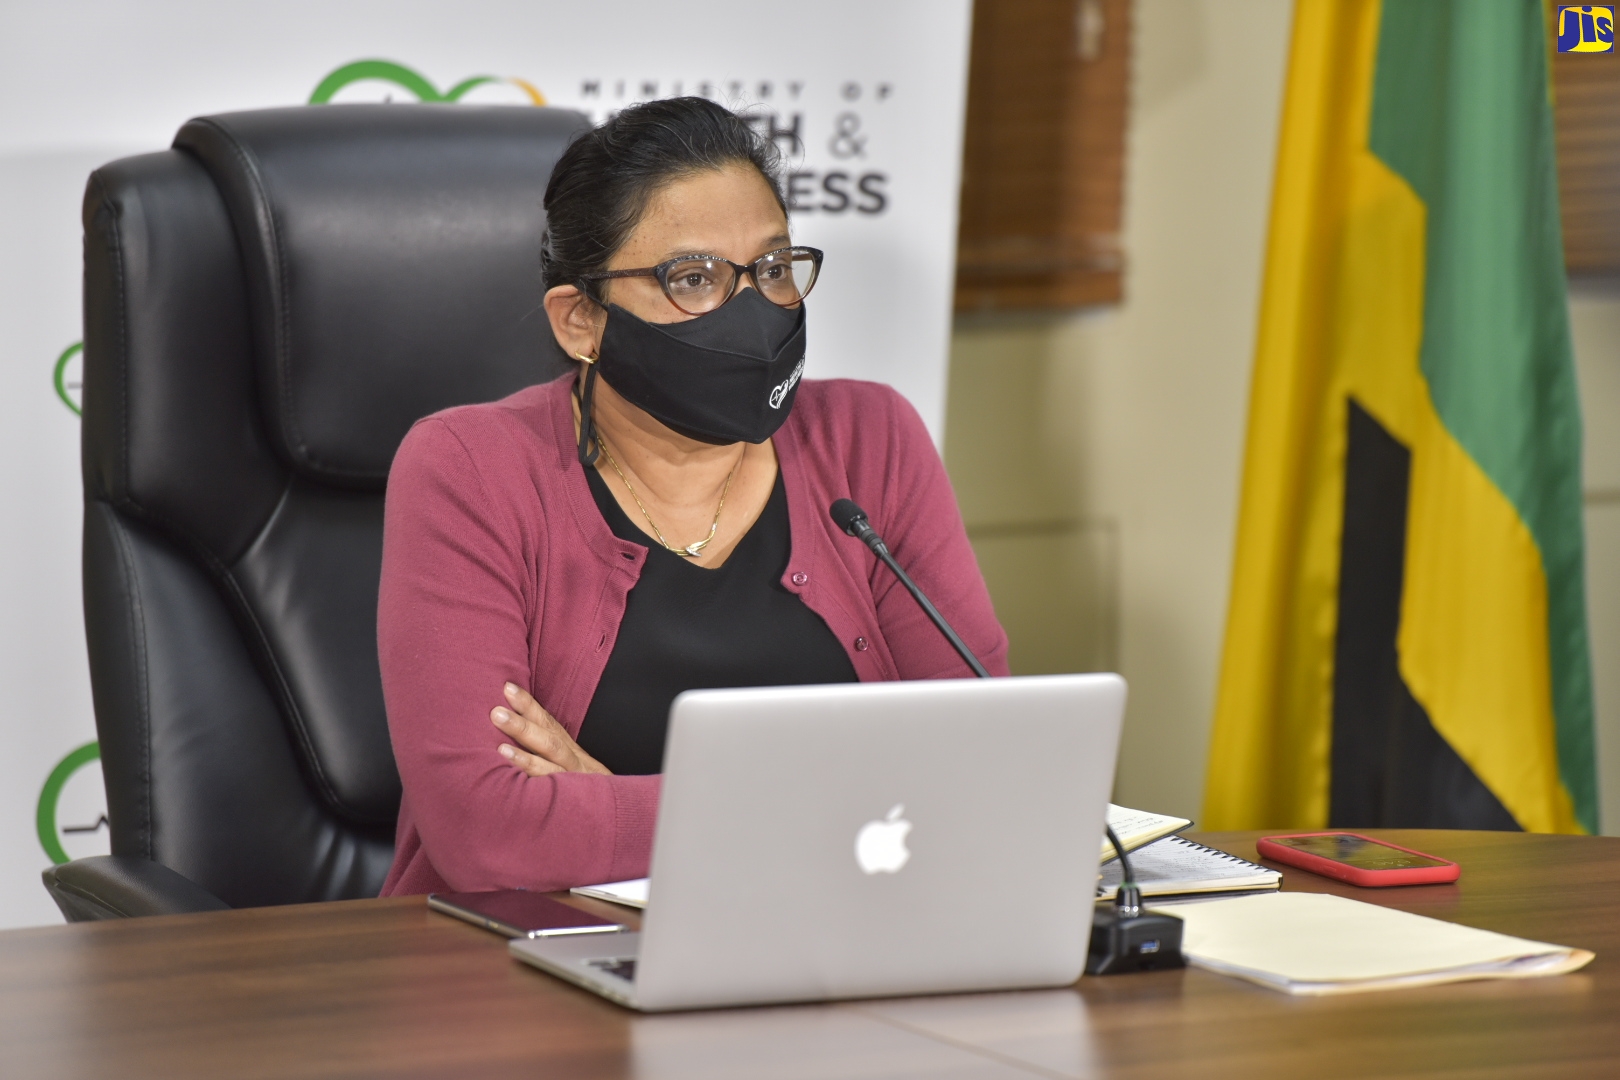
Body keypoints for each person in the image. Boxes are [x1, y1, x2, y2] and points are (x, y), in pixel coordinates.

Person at [378, 97, 1008, 896]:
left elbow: (978, 764)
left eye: (773, 269)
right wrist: (830, 810)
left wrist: (609, 804)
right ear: (581, 321)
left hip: (829, 939)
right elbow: (489, 835)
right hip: (525, 967)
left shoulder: (870, 440)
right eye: (693, 278)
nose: (752, 311)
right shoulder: (471, 469)